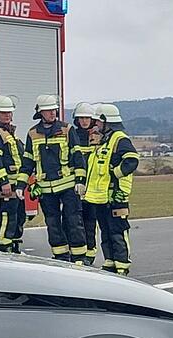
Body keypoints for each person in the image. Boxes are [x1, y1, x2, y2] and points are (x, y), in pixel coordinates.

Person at [22, 94, 85, 262]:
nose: (52, 113)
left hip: (67, 186)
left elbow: (77, 156)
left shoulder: (66, 130)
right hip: (46, 188)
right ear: (40, 112)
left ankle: (79, 257)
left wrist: (80, 181)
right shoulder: (33, 134)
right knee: (53, 224)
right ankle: (61, 256)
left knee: (73, 221)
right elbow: (27, 161)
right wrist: (21, 185)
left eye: (54, 110)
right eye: (48, 110)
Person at [83, 103, 139, 275]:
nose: (96, 124)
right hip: (102, 197)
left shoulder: (120, 139)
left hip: (116, 195)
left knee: (117, 231)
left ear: (106, 121)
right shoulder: (105, 139)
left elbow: (132, 160)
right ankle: (110, 261)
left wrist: (116, 173)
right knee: (105, 230)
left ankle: (122, 265)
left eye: (98, 121)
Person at [0, 95, 27, 252]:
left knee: (18, 214)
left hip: (15, 183)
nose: (7, 115)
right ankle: (3, 246)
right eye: (3, 113)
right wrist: (4, 182)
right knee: (7, 215)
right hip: (5, 184)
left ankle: (14, 245)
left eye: (9, 112)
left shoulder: (8, 132)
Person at [67, 102, 99, 265]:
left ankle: (90, 253)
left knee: (90, 221)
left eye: (87, 118)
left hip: (93, 186)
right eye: (81, 118)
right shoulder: (73, 136)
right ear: (76, 120)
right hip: (76, 184)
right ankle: (77, 252)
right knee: (74, 220)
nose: (85, 121)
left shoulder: (98, 137)